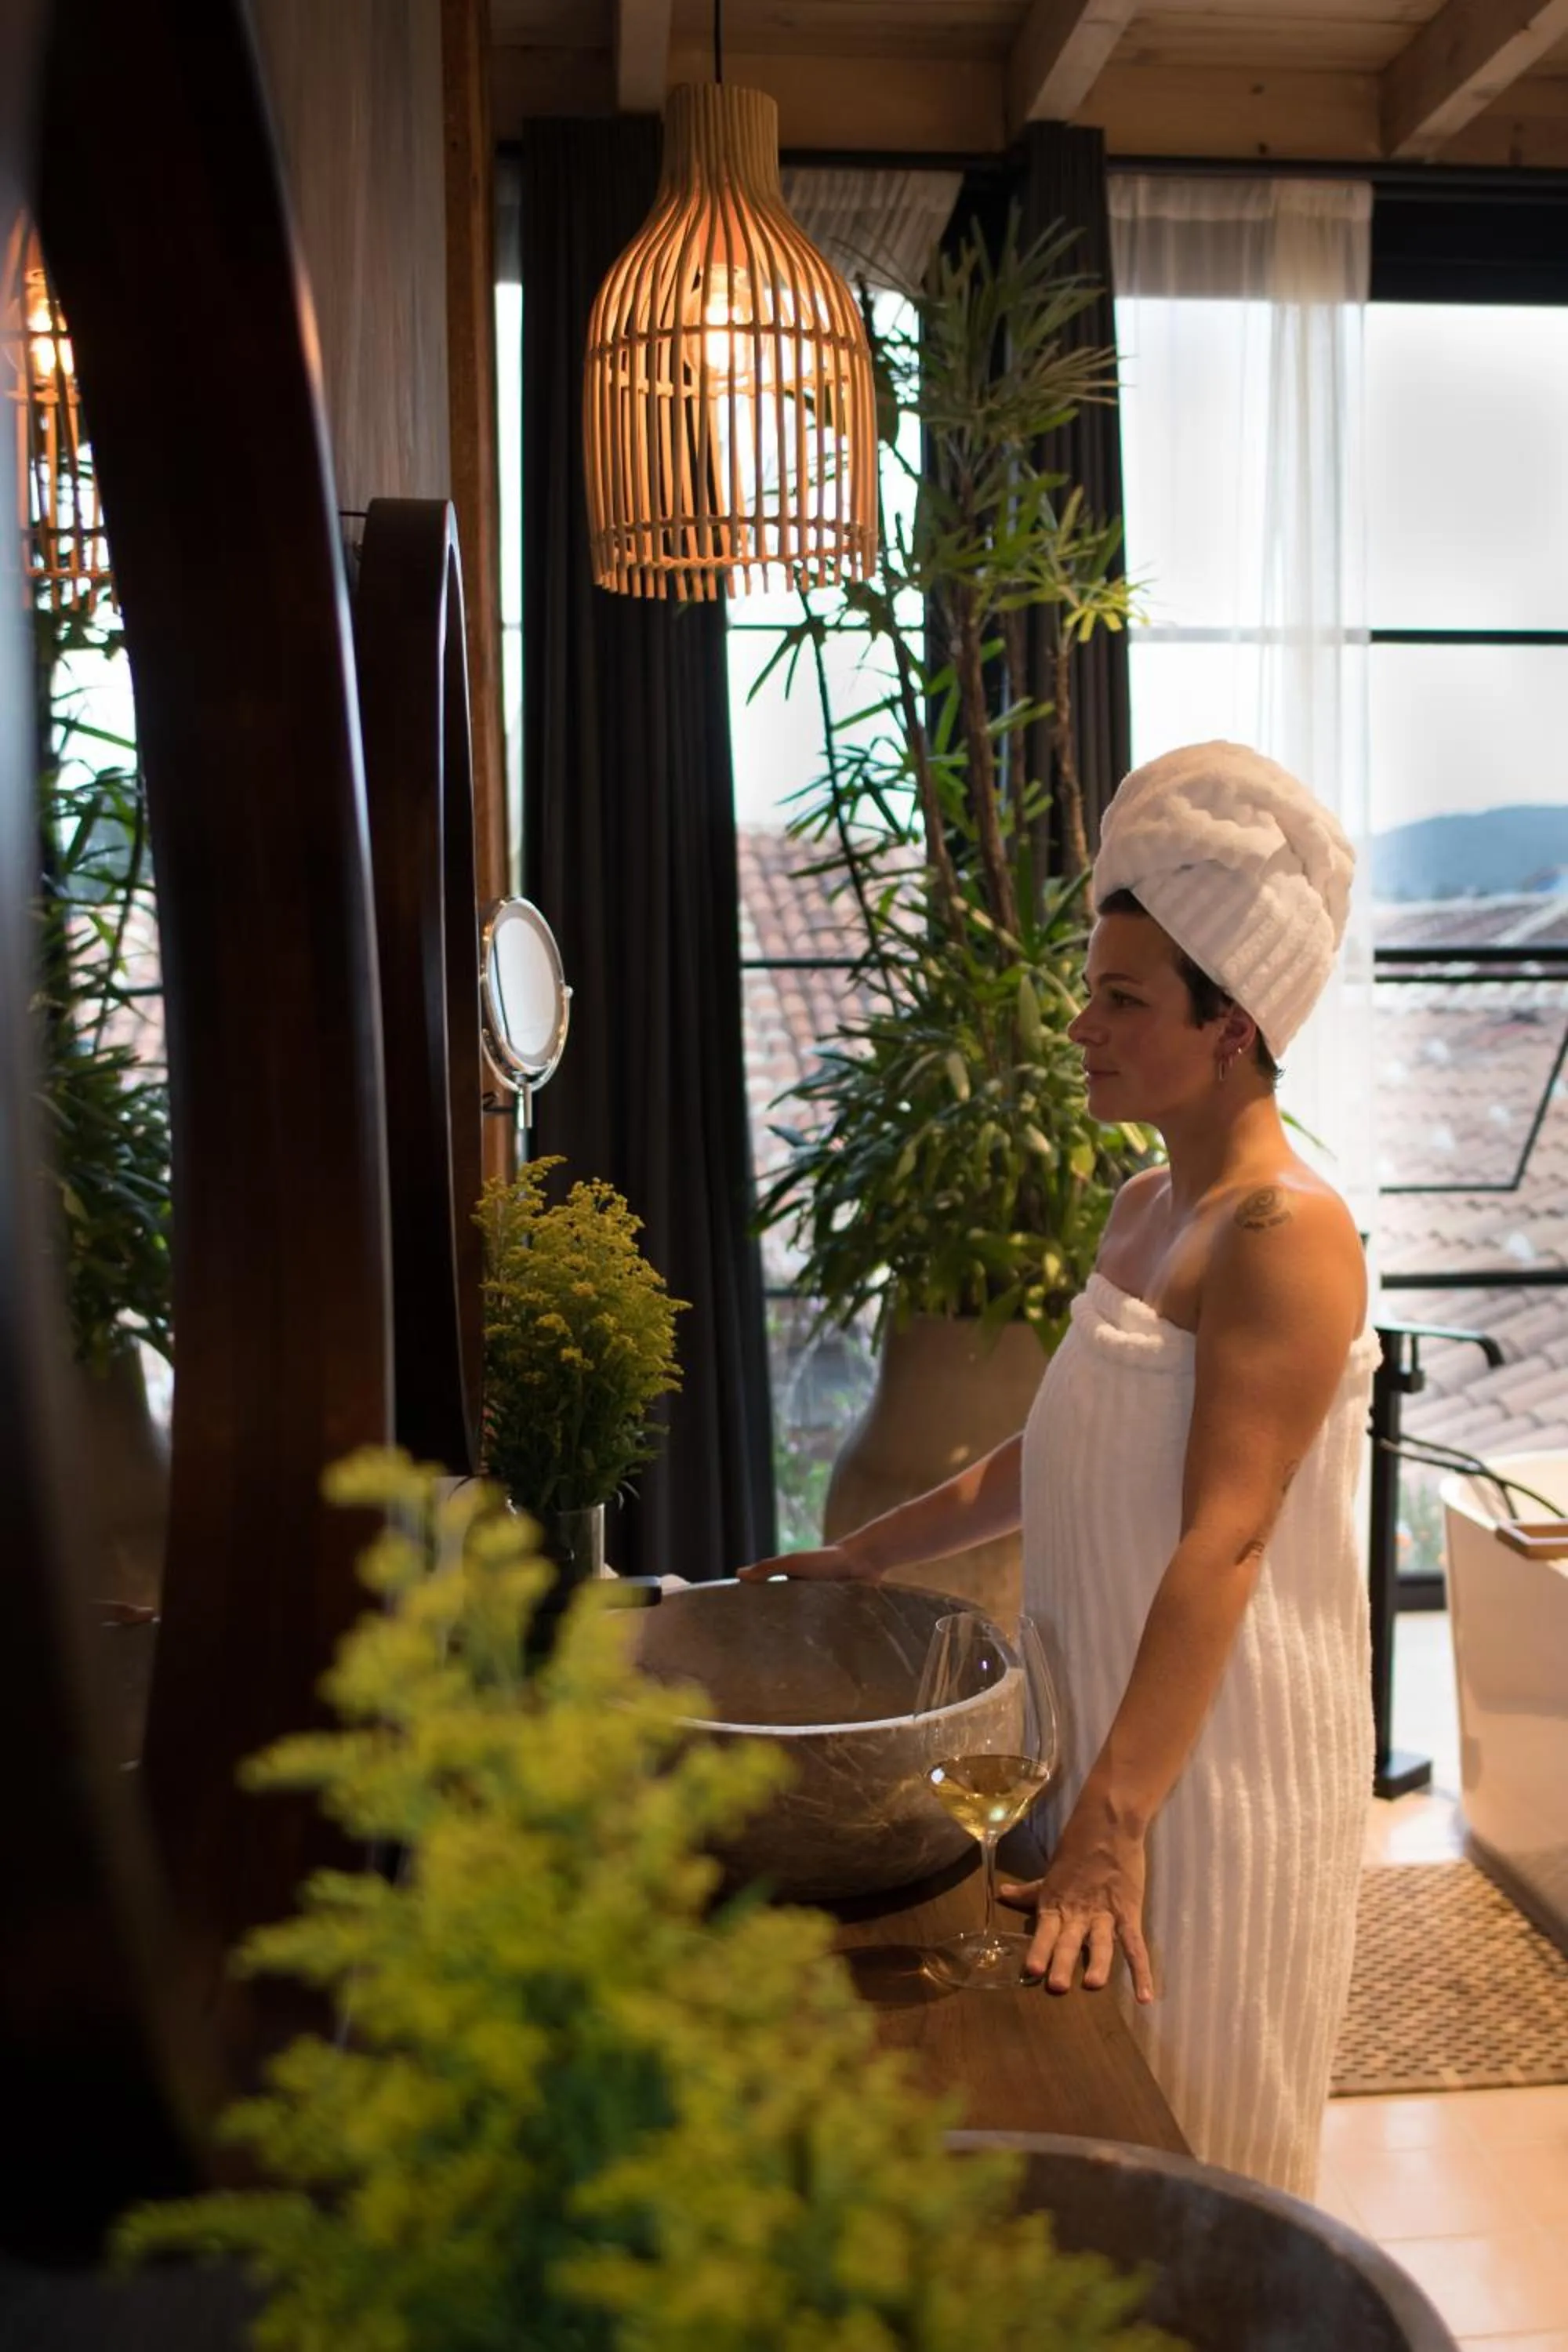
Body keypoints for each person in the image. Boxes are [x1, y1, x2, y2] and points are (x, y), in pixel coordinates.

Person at [741, 740, 1376, 2198]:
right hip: (1117, 1730)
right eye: (1094, 989)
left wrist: (1115, 1826)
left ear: (1234, 1026)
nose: (1081, 1024)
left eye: (1122, 999)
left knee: (1203, 2145)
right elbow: (1064, 1446)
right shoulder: (1147, 1203)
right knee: (1102, 2132)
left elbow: (1226, 1542)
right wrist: (867, 1556)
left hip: (1216, 1770)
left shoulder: (1287, 1234)